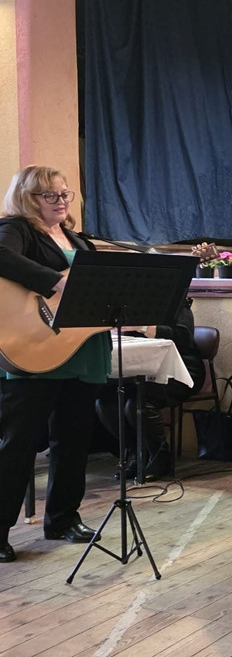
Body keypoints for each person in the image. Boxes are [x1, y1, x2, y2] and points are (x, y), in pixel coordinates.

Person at [0, 166, 112, 562]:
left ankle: (63, 519)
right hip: (36, 346)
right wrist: (55, 281)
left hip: (80, 347)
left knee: (74, 439)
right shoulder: (17, 229)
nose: (62, 201)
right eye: (51, 195)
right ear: (28, 198)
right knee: (18, 444)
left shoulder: (79, 240)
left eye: (65, 194)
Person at [95, 297, 206, 480]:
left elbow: (184, 337)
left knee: (136, 404)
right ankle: (135, 453)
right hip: (139, 373)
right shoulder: (126, 303)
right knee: (104, 402)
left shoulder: (176, 301)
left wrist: (143, 327)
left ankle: (160, 455)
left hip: (179, 372)